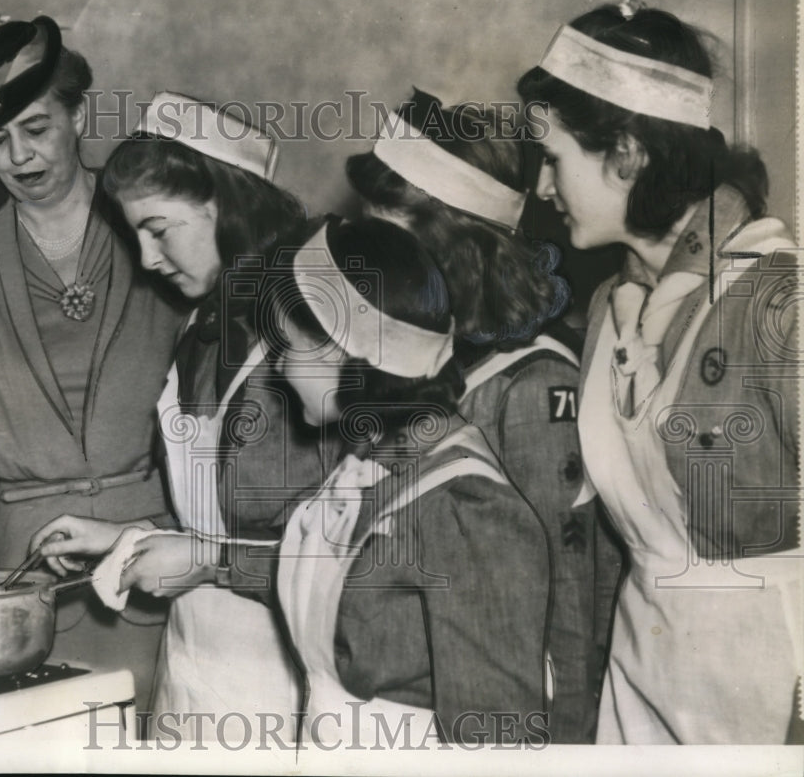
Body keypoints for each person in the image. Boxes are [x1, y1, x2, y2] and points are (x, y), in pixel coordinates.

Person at [105, 215, 554, 747]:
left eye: (285, 349)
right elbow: (339, 580)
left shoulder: (462, 508)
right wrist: (209, 560)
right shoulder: (369, 459)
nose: (276, 370)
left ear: (342, 349)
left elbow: (497, 748)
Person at [517, 0, 802, 744]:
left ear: (628, 153)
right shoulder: (612, 303)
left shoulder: (777, 298)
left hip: (768, 681)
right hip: (641, 666)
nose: (541, 190)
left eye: (552, 161)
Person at [31, 92, 328, 740]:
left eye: (159, 230)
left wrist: (204, 561)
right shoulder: (200, 328)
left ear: (225, 205)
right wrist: (127, 535)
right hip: (193, 666)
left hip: (287, 678)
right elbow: (214, 512)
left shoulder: (314, 343)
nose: (147, 261)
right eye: (134, 233)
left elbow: (348, 556)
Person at [0, 12, 183, 705]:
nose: (20, 158)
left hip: (151, 570)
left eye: (36, 129)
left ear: (76, 114)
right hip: (22, 592)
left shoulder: (156, 238)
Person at [345, 89, 618, 742]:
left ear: (458, 249)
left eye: (392, 239)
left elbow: (572, 622)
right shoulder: (419, 364)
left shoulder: (532, 389)